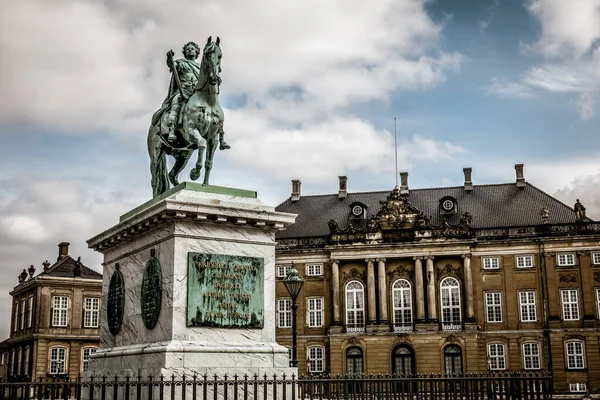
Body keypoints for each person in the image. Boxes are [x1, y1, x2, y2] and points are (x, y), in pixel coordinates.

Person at [158, 42, 230, 149]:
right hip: (183, 92)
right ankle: (172, 129)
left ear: (197, 52)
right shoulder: (182, 63)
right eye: (188, 49)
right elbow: (172, 65)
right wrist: (169, 58)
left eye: (192, 49)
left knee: (214, 107)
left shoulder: (201, 67)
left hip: (198, 93)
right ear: (185, 52)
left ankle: (220, 134)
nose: (190, 50)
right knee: (176, 102)